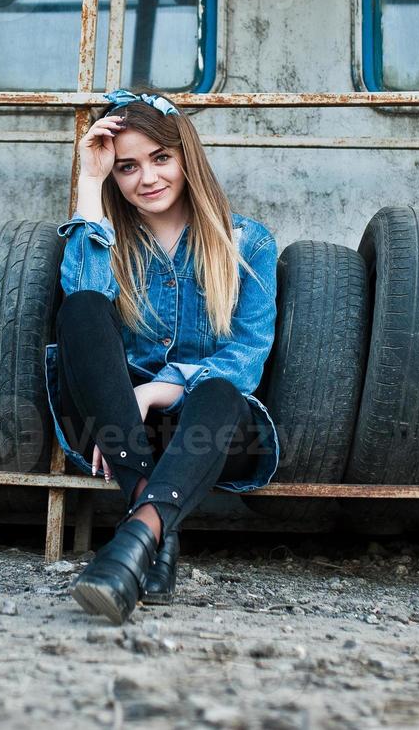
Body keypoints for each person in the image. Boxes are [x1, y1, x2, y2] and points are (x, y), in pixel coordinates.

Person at [43, 88, 280, 625]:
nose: (147, 178)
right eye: (127, 167)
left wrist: (156, 389)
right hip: (117, 426)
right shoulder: (112, 240)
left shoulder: (246, 242)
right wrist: (89, 184)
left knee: (219, 389)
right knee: (81, 307)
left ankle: (136, 535)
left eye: (160, 158)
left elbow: (244, 356)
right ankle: (149, 537)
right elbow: (81, 301)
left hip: (209, 432)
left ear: (185, 157)